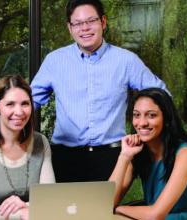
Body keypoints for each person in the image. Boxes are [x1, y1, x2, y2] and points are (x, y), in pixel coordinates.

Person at [30, 0, 168, 182]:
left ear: (103, 22)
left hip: (111, 156)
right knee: (65, 210)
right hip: (64, 156)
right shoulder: (54, 61)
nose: (84, 28)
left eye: (91, 21)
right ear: (70, 28)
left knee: (107, 210)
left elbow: (162, 96)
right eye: (78, 23)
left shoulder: (126, 61)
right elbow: (27, 101)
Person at [0, 75, 55, 220]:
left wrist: (25, 206)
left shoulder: (41, 142)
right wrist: (19, 213)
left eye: (25, 103)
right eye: (10, 104)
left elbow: (50, 198)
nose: (19, 112)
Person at [109, 88, 187, 220]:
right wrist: (124, 156)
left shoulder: (186, 154)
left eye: (151, 115)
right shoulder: (138, 152)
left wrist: (117, 209)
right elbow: (106, 201)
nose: (142, 123)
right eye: (137, 115)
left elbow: (156, 215)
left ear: (166, 119)